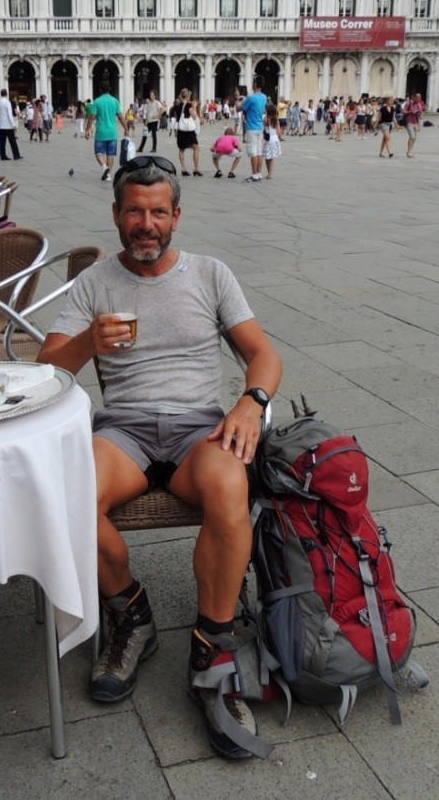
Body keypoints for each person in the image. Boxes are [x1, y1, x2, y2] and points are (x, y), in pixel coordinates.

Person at [36, 156, 282, 759]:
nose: (146, 223)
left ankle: (213, 651)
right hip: (125, 432)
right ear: (117, 215)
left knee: (230, 485)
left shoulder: (210, 274)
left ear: (176, 216)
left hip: (200, 428)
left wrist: (251, 402)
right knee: (66, 491)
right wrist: (88, 343)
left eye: (158, 211)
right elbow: (45, 370)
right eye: (134, 211)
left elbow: (263, 354)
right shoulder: (94, 281)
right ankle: (131, 614)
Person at [85, 81, 128, 182]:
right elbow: (121, 117)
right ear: (109, 89)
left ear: (100, 89)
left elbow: (92, 117)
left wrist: (87, 130)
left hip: (101, 132)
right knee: (110, 154)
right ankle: (108, 175)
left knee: (98, 152)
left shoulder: (97, 101)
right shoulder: (115, 101)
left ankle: (104, 167)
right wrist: (126, 129)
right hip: (112, 132)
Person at [241, 75, 267, 183]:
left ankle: (254, 175)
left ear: (255, 84)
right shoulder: (264, 97)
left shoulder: (251, 98)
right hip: (260, 127)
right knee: (259, 151)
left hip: (251, 127)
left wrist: (241, 99)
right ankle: (259, 173)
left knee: (253, 152)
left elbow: (241, 108)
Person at [175, 88, 202, 177]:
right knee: (196, 148)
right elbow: (194, 117)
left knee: (182, 149)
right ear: (188, 95)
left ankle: (184, 169)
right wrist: (194, 107)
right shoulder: (189, 105)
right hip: (189, 130)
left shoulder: (178, 105)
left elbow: (176, 117)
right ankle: (196, 168)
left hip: (181, 130)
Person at [0, 89, 22, 162]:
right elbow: (10, 114)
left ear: (1, 94)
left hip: (1, 125)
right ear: (6, 94)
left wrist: (0, 118)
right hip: (8, 125)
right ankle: (16, 155)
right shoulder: (7, 102)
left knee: (2, 142)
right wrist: (14, 125)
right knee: (12, 141)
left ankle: (3, 156)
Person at [262, 103, 283, 180]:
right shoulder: (276, 120)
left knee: (267, 158)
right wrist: (279, 136)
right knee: (271, 158)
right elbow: (279, 132)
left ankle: (269, 173)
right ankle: (270, 173)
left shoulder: (266, 119)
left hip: (268, 140)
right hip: (274, 140)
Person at [402, 93, 425, 158]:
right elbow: (403, 111)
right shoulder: (408, 104)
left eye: (419, 97)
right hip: (409, 122)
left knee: (414, 138)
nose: (418, 99)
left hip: (416, 123)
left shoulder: (419, 105)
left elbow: (421, 113)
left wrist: (420, 116)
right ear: (414, 97)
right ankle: (409, 151)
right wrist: (410, 112)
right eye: (417, 97)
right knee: (412, 136)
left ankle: (410, 150)